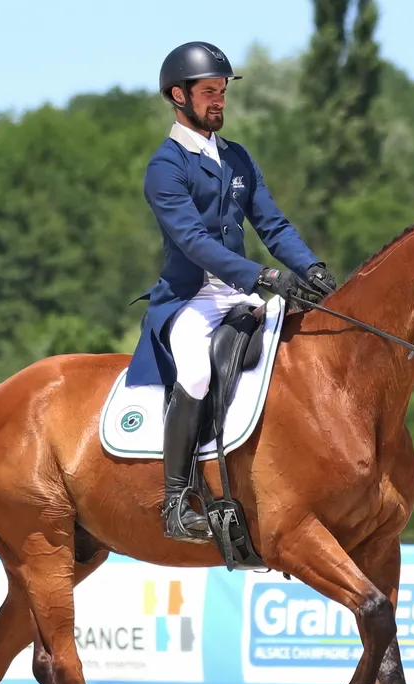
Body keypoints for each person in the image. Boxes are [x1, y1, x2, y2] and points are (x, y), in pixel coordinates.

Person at [126, 40, 337, 543]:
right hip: (190, 300)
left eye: (222, 91)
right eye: (208, 92)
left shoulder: (237, 158)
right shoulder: (166, 167)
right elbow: (194, 242)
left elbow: (274, 225)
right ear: (178, 95)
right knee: (196, 371)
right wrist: (263, 278)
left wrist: (313, 270)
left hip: (239, 295)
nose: (219, 100)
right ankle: (177, 500)